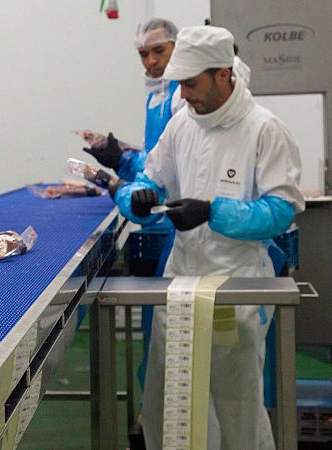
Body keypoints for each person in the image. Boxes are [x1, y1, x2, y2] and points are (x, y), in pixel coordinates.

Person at [113, 26, 304, 449]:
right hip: (180, 282)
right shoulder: (182, 124)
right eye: (179, 84)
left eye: (191, 83)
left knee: (235, 403)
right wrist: (138, 198)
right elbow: (149, 178)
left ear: (223, 74)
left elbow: (281, 211)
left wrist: (213, 212)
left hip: (236, 287)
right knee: (167, 398)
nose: (183, 95)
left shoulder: (264, 129)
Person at [83, 18, 186, 181]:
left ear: (176, 47)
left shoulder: (183, 93)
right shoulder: (154, 95)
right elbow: (150, 156)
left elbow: (174, 164)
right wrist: (120, 157)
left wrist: (123, 161)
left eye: (159, 50)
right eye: (143, 54)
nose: (151, 61)